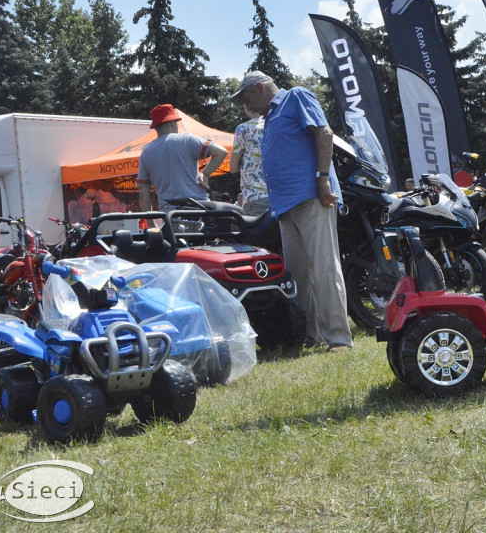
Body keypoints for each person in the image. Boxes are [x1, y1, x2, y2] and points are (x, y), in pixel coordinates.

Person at [232, 70, 353, 352]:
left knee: (324, 268)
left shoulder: (296, 96)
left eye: (247, 99)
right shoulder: (270, 118)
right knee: (298, 274)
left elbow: (324, 133)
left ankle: (338, 338)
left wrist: (323, 179)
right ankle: (312, 335)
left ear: (260, 87)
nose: (246, 107)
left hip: (311, 196)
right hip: (285, 205)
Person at [137, 104, 228, 213]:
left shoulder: (146, 152)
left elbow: (143, 194)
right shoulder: (186, 139)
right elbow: (221, 152)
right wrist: (205, 174)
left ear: (156, 127)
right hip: (198, 209)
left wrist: (151, 225)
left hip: (170, 215)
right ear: (172, 123)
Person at [230, 104, 270, 216]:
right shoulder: (273, 126)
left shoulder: (243, 129)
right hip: (278, 196)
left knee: (257, 233)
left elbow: (233, 167)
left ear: (247, 107)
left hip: (254, 196)